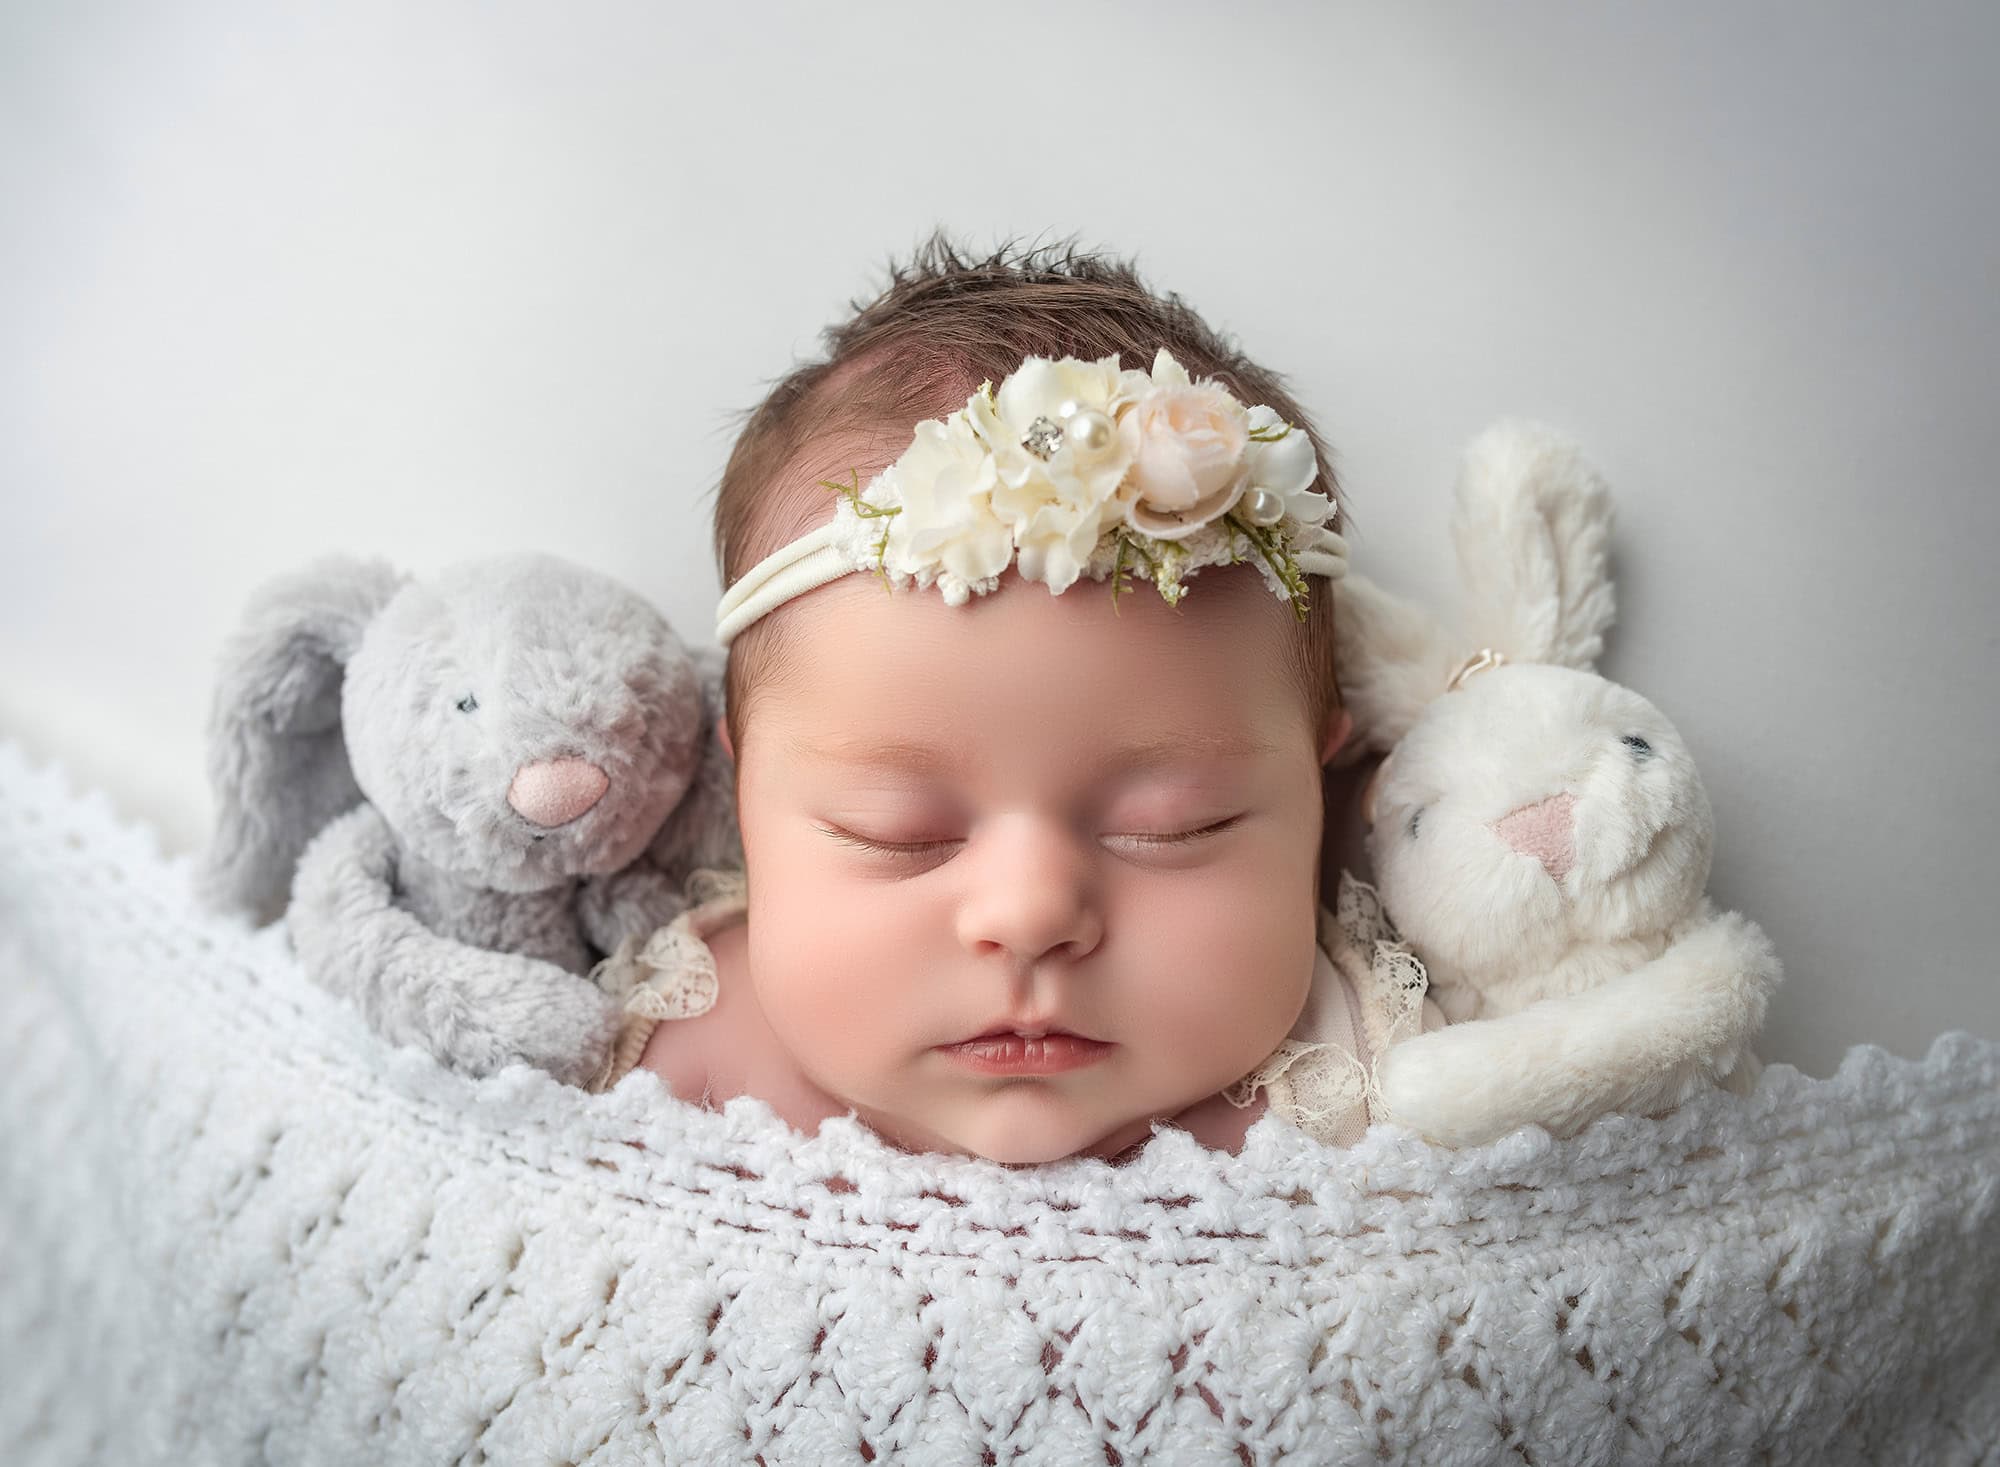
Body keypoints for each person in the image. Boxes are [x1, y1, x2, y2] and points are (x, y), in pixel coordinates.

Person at [589, 237, 1444, 1166]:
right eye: (897, 831)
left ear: (1323, 780)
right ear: (742, 790)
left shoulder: (1372, 1098)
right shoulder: (684, 1052)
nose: (1031, 913)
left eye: (1176, 825)